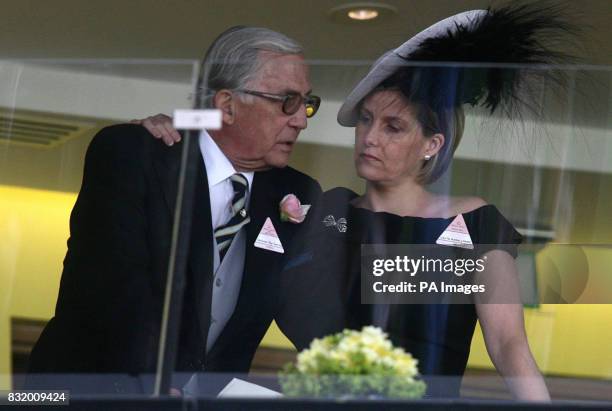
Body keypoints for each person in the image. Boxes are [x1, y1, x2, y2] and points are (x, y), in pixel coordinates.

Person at [141, 5, 575, 400]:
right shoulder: (324, 210)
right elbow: (233, 270)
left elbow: (508, 343)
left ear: (432, 144)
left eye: (393, 127)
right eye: (365, 121)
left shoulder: (474, 220)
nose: (370, 137)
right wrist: (174, 129)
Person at [27, 26, 322, 393]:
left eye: (307, 102)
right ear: (227, 105)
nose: (302, 120)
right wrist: (151, 384)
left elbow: (309, 310)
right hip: (90, 394)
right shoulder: (138, 156)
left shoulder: (296, 192)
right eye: (287, 102)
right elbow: (114, 288)